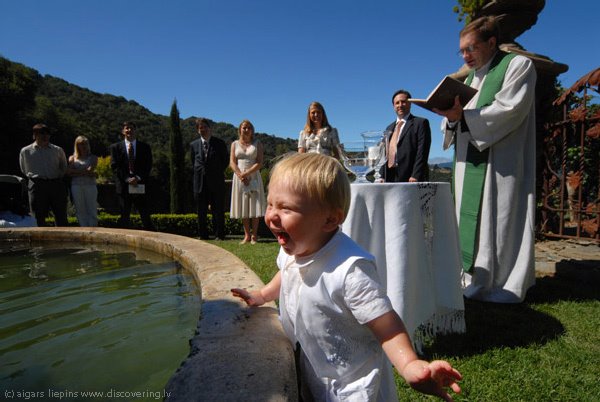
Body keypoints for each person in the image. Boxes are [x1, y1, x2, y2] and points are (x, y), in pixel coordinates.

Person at [231, 153, 462, 401]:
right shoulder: (294, 249)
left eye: (285, 208)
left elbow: (387, 328)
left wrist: (409, 365)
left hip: (354, 384)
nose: (272, 216)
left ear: (330, 219)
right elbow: (287, 273)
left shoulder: (350, 271)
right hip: (317, 368)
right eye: (270, 204)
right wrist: (262, 295)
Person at [432, 16, 537, 303]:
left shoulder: (518, 66)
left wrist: (462, 117)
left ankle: (500, 281)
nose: (465, 56)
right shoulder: (470, 78)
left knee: (498, 218)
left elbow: (509, 110)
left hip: (500, 165)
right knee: (469, 220)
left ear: (492, 43)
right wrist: (450, 117)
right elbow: (455, 124)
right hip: (468, 163)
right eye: (461, 51)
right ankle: (470, 277)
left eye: (471, 49)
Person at [19, 123, 69, 227]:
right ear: (35, 135)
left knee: (61, 216)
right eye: (42, 134)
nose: (45, 136)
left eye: (47, 134)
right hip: (37, 185)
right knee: (37, 217)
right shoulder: (26, 151)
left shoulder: (57, 150)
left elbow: (63, 167)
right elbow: (23, 169)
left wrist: (57, 178)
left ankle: (62, 241)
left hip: (56, 184)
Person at [109, 121, 155, 231]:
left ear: (135, 130)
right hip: (124, 186)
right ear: (123, 131)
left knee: (145, 216)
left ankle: (151, 241)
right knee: (124, 216)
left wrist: (138, 178)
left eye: (132, 128)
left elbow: (148, 165)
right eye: (127, 128)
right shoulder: (115, 147)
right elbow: (114, 166)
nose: (129, 130)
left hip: (140, 185)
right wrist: (127, 179)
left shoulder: (145, 147)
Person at [191, 117, 229, 240]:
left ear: (210, 129)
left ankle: (219, 234)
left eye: (205, 127)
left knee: (217, 210)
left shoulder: (219, 143)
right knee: (201, 211)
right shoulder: (194, 145)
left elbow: (225, 161)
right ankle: (203, 234)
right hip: (200, 183)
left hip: (216, 182)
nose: (203, 130)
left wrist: (217, 172)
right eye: (200, 128)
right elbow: (194, 162)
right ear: (198, 130)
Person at [229, 120, 266, 244]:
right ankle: (246, 236)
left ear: (252, 130)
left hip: (253, 176)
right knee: (243, 206)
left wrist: (247, 173)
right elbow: (232, 162)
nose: (246, 129)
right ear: (240, 129)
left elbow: (260, 162)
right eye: (244, 127)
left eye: (249, 127)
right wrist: (240, 175)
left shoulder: (257, 143)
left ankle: (254, 236)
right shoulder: (234, 144)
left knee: (255, 205)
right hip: (239, 178)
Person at [382, 89, 431, 182]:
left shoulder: (420, 123)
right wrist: (381, 176)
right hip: (390, 177)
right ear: (393, 106)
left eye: (403, 102)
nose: (400, 105)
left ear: (410, 103)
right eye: (397, 103)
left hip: (411, 178)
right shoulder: (389, 128)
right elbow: (384, 154)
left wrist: (416, 175)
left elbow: (422, 151)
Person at [67, 135, 98, 226]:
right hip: (76, 185)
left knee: (91, 208)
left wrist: (75, 172)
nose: (83, 146)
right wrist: (84, 172)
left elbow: (90, 170)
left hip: (90, 185)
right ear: (77, 145)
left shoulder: (93, 158)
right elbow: (68, 172)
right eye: (81, 144)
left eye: (85, 144)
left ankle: (93, 228)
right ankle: (83, 228)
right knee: (80, 208)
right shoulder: (72, 158)